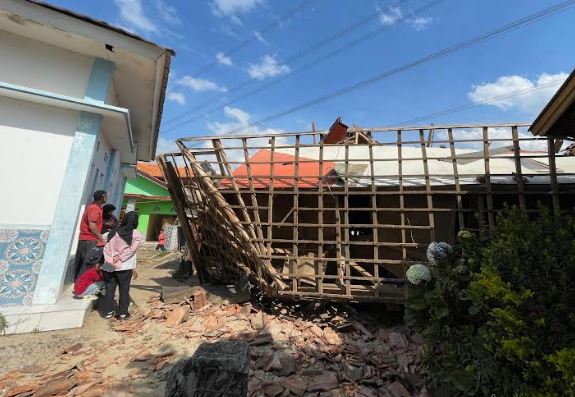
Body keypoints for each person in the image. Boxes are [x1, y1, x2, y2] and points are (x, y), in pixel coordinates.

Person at [102, 211, 143, 320]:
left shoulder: (113, 232)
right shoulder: (136, 234)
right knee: (124, 289)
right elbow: (131, 250)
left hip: (109, 264)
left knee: (109, 288)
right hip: (125, 265)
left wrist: (110, 260)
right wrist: (120, 258)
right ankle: (122, 314)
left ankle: (107, 312)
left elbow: (106, 248)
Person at [74, 190, 107, 280]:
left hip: (87, 239)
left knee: (84, 263)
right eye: (105, 196)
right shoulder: (94, 208)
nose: (106, 197)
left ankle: (79, 283)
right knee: (88, 263)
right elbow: (92, 225)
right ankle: (80, 285)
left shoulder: (96, 208)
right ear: (102, 196)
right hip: (89, 239)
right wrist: (101, 237)